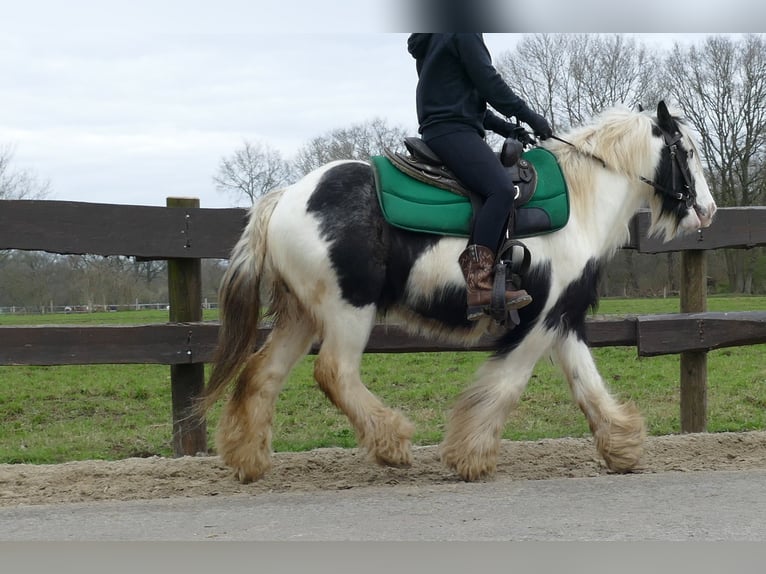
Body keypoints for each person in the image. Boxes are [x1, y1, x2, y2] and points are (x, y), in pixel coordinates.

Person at [407, 33, 552, 320]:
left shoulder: (437, 34)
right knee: (501, 191)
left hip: (445, 128)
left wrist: (507, 128)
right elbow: (488, 82)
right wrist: (530, 116)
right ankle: (479, 284)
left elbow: (461, 97)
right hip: (453, 131)